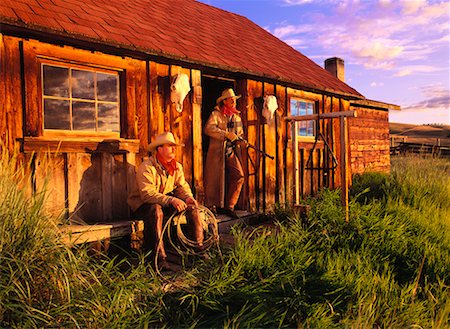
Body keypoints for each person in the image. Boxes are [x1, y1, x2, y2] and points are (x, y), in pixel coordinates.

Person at [127, 132, 204, 270]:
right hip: (142, 206)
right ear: (159, 149)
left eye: (174, 146)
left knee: (192, 208)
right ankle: (159, 258)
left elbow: (181, 186)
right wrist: (171, 200)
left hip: (163, 202)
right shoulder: (147, 167)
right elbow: (147, 195)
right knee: (156, 211)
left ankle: (198, 250)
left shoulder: (176, 166)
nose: (174, 149)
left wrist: (187, 197)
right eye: (170, 146)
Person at [204, 88, 245, 219]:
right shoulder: (216, 114)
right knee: (214, 179)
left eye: (234, 99)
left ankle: (230, 206)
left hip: (231, 151)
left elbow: (239, 135)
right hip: (217, 153)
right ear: (225, 101)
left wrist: (242, 142)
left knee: (239, 176)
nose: (233, 101)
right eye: (230, 99)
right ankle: (212, 206)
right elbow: (208, 129)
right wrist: (225, 134)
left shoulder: (237, 117)